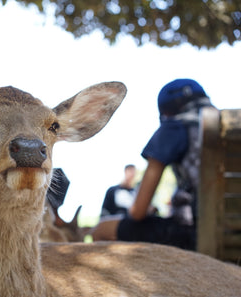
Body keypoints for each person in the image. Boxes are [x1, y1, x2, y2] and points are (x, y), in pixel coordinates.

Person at [91, 78, 217, 251]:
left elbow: (138, 211)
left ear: (166, 111)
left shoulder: (175, 127)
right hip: (233, 231)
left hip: (194, 234)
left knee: (101, 230)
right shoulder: (228, 130)